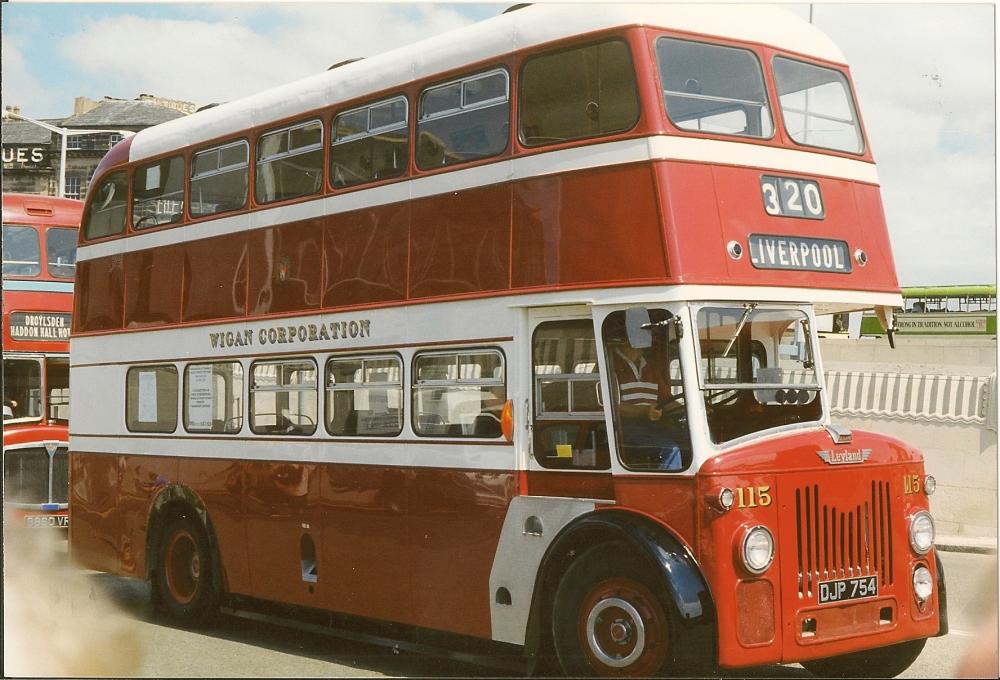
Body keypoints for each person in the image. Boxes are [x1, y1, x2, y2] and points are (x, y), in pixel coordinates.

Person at [609, 339, 685, 470]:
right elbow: (611, 406)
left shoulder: (649, 367)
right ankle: (667, 489)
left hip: (654, 427)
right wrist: (643, 411)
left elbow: (665, 401)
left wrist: (692, 409)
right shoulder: (610, 364)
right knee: (671, 449)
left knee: (691, 441)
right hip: (623, 429)